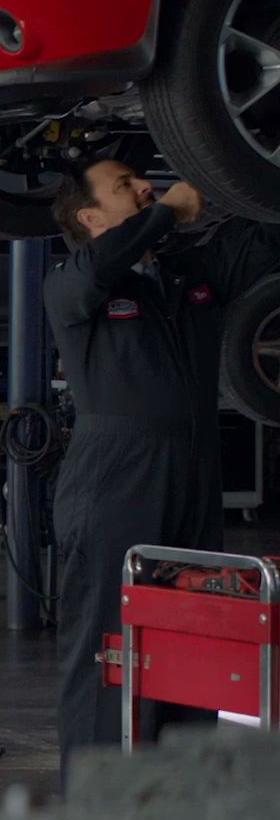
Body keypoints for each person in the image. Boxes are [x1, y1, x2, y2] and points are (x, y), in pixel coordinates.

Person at [46, 160, 280, 777]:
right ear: (91, 218)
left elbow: (262, 234)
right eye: (124, 186)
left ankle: (177, 800)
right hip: (115, 481)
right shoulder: (72, 283)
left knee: (194, 639)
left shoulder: (184, 276)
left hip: (194, 475)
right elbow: (100, 268)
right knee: (108, 650)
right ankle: (95, 807)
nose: (145, 186)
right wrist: (168, 213)